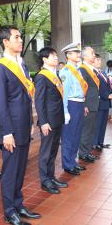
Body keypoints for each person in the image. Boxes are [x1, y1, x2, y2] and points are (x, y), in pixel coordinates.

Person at [0, 25, 40, 225]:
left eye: (20, 37)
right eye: (17, 37)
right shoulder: (0, 69)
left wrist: (30, 122)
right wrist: (7, 132)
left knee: (21, 170)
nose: (21, 40)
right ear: (5, 42)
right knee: (10, 172)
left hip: (23, 127)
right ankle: (9, 210)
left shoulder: (22, 66)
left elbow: (26, 99)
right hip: (10, 131)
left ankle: (19, 204)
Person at [34, 47, 68, 195]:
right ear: (44, 59)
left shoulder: (56, 74)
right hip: (48, 121)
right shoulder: (42, 76)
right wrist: (43, 122)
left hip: (57, 118)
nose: (56, 58)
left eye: (56, 55)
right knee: (46, 152)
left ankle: (51, 177)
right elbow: (39, 101)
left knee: (54, 150)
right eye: (52, 56)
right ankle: (45, 180)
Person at [59, 42, 87, 176]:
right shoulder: (66, 71)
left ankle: (73, 161)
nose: (78, 54)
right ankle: (67, 164)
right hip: (71, 104)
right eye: (75, 53)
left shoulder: (78, 70)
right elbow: (64, 93)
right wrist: (65, 111)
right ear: (68, 55)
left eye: (78, 52)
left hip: (79, 104)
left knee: (76, 135)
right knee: (69, 136)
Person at [78, 46, 100, 163]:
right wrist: (85, 104)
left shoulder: (90, 69)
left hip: (94, 104)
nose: (94, 55)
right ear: (85, 56)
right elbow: (82, 88)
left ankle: (87, 152)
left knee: (91, 130)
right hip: (88, 105)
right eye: (92, 53)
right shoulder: (82, 69)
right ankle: (83, 153)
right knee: (86, 130)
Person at [93, 54, 112, 150]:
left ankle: (100, 142)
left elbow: (107, 85)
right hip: (99, 101)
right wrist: (107, 95)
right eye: (96, 60)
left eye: (99, 60)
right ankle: (94, 143)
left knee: (103, 124)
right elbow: (96, 89)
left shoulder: (102, 72)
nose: (99, 62)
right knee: (97, 124)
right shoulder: (92, 73)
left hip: (106, 102)